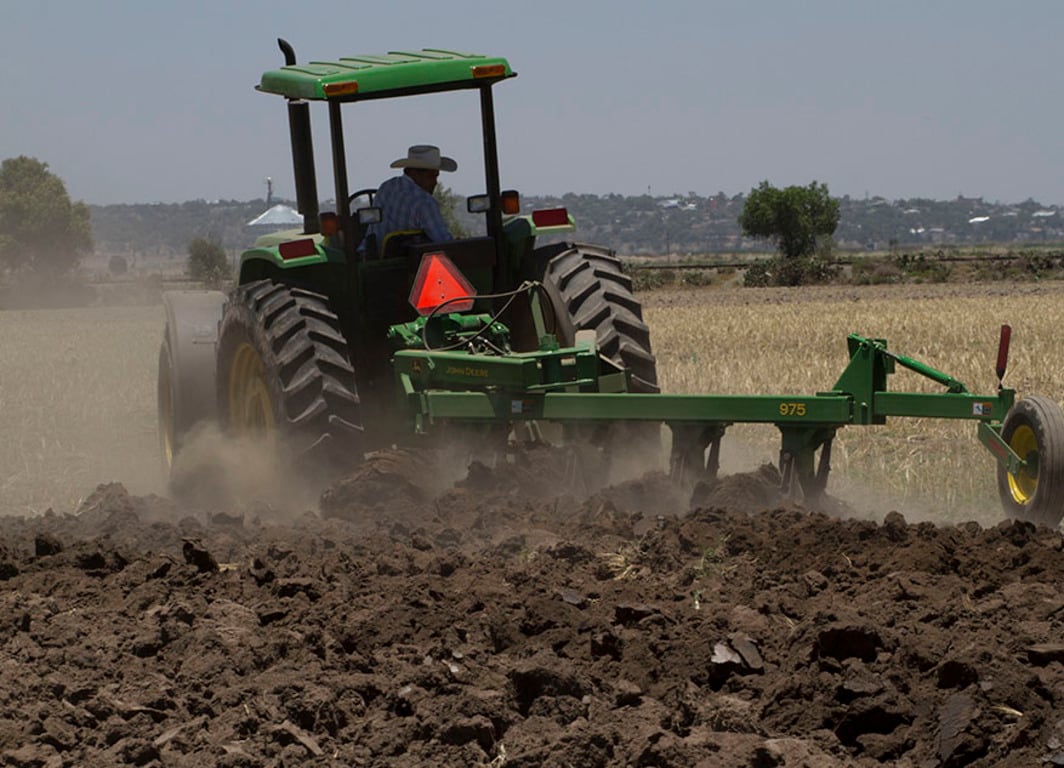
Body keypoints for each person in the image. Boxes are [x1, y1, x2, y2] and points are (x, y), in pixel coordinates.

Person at [366, 145, 457, 249]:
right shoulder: (424, 202)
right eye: (431, 176)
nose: (435, 182)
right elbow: (444, 242)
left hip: (372, 256)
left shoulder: (386, 187)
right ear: (414, 173)